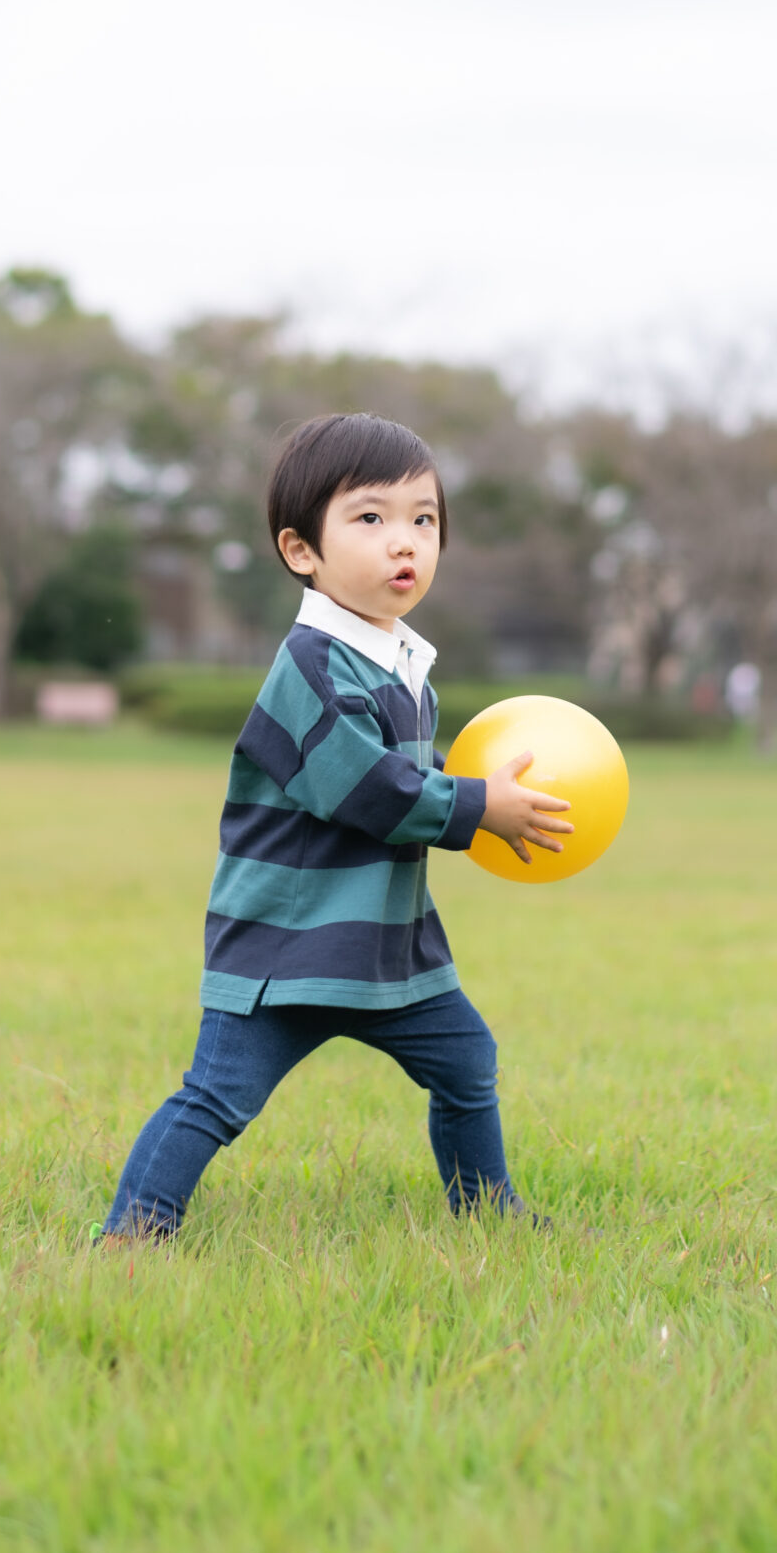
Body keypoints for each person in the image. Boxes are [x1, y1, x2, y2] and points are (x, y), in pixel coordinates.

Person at [102, 411, 570, 1240]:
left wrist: (466, 798)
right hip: (288, 948)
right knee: (216, 1097)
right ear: (300, 551)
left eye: (422, 519)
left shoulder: (400, 664)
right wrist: (477, 806)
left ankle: (487, 1214)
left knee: (467, 1062)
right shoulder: (311, 667)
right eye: (370, 518)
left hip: (385, 946)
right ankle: (133, 1236)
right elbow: (370, 791)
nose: (405, 542)